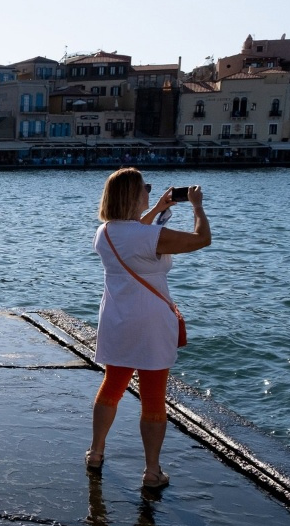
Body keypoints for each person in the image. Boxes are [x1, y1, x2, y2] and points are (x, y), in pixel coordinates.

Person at [87, 168, 211, 489]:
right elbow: (202, 239)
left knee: (112, 386)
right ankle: (152, 471)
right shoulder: (149, 237)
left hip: (117, 318)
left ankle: (96, 452)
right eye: (146, 188)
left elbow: (132, 235)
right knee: (153, 397)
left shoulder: (104, 233)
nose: (148, 191)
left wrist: (156, 209)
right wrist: (197, 206)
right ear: (132, 195)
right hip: (151, 322)